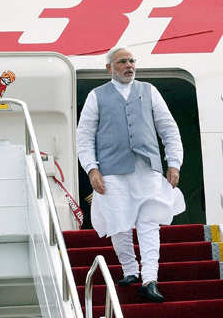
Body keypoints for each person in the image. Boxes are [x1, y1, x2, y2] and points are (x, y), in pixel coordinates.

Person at [77, 47, 185, 302]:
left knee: (149, 222)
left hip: (147, 168)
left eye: (132, 61)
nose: (129, 65)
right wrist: (91, 168)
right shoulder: (96, 96)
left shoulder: (149, 91)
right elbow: (84, 136)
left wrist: (174, 163)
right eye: (122, 62)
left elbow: (169, 128)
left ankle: (150, 278)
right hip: (112, 170)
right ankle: (130, 270)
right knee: (119, 222)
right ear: (109, 68)